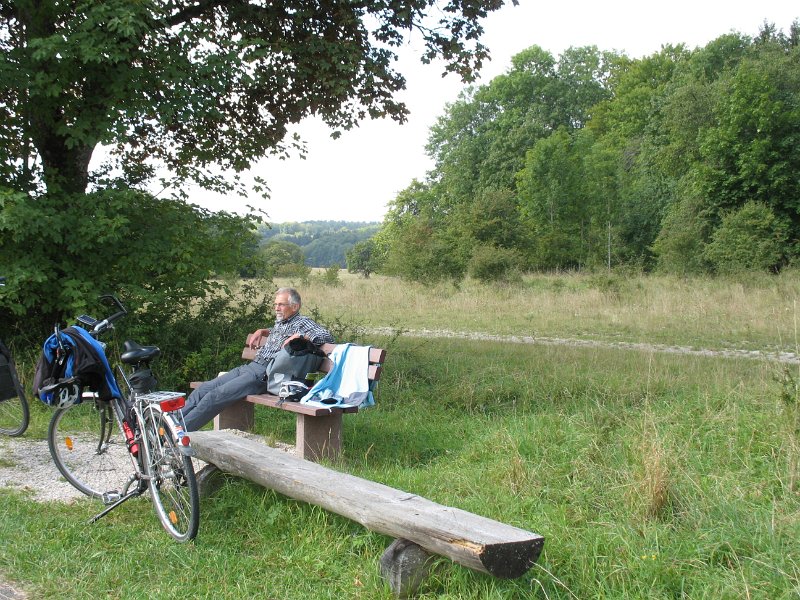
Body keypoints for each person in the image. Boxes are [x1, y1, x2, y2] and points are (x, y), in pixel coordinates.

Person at [181, 287, 334, 431]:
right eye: (275, 304)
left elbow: (326, 336)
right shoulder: (283, 321)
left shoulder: (302, 322)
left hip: (264, 375)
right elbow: (279, 332)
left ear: (295, 307)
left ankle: (177, 436)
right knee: (203, 390)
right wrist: (265, 331)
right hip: (250, 368)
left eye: (281, 304)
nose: (276, 308)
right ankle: (168, 425)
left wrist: (301, 336)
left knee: (214, 396)